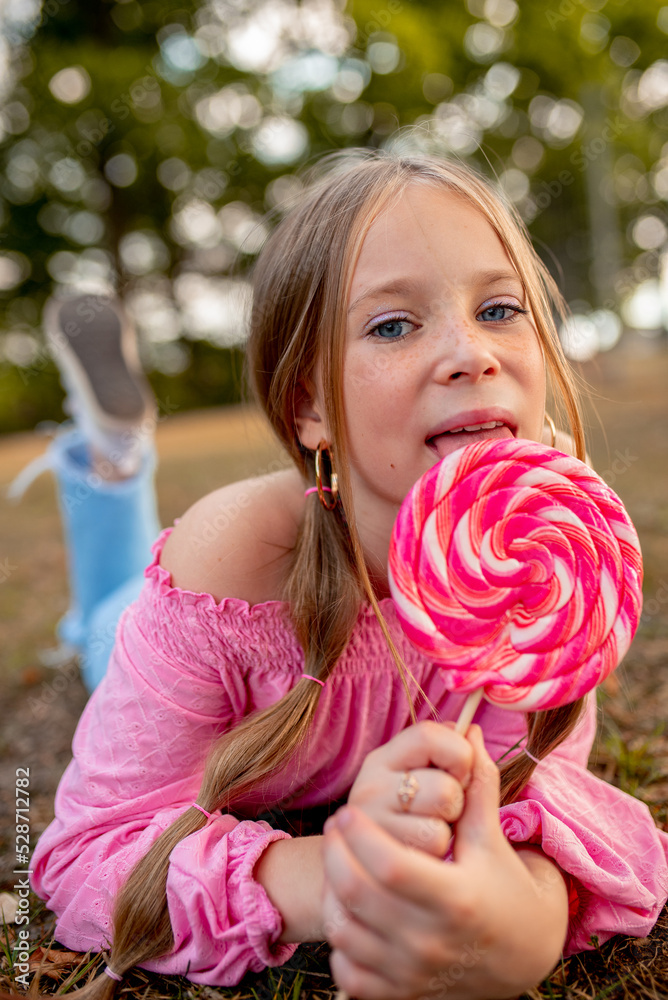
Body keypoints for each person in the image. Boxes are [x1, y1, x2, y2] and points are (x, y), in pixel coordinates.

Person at [29, 152, 668, 1000]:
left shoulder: (548, 555)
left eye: (500, 309)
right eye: (393, 325)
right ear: (308, 407)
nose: (470, 353)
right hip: (155, 642)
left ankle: (116, 457)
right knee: (99, 616)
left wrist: (529, 915)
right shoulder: (231, 565)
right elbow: (85, 853)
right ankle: (113, 455)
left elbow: (538, 798)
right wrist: (336, 878)